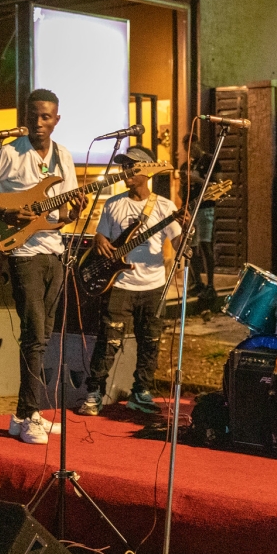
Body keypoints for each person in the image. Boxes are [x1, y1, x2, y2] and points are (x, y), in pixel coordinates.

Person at [0, 89, 79, 445]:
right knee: (33, 334)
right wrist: (5, 212)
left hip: (54, 251)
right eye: (33, 116)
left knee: (43, 335)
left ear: (57, 119)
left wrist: (72, 212)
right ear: (25, 115)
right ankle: (31, 412)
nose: (38, 123)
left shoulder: (63, 155)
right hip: (22, 252)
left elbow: (64, 213)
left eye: (46, 117)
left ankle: (21, 415)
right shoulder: (9, 152)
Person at [82, 146, 188, 416]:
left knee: (150, 341)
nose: (126, 171)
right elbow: (101, 237)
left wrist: (187, 229)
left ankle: (141, 392)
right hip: (119, 283)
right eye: (124, 165)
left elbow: (179, 245)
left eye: (132, 166)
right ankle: (94, 392)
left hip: (153, 286)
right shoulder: (113, 204)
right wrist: (100, 241)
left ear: (147, 170)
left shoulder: (165, 206)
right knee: (108, 340)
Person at [185, 133, 221, 300]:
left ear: (197, 144)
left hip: (206, 207)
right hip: (192, 207)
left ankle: (211, 285)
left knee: (205, 245)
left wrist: (197, 180)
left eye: (191, 148)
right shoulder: (189, 163)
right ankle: (197, 282)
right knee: (190, 246)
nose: (190, 152)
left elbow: (218, 186)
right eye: (187, 149)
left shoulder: (210, 160)